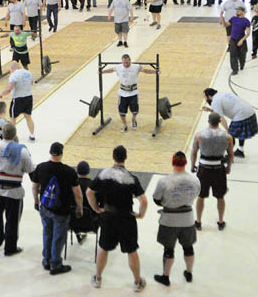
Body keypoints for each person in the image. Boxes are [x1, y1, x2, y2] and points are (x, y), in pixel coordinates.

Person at [87, 145, 147, 292]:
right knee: (131, 250)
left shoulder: (103, 174)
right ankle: (137, 282)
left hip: (108, 217)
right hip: (126, 217)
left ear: (113, 157)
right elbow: (144, 201)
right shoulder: (131, 178)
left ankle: (98, 278)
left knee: (104, 248)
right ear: (125, 158)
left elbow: (89, 192)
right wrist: (140, 214)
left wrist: (96, 208)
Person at [0, 122, 34, 256]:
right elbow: (31, 170)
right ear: (15, 135)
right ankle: (10, 248)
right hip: (14, 191)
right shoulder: (22, 150)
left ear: (1, 134)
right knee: (12, 220)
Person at [31, 142, 82, 275]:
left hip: (45, 207)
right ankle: (56, 264)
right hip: (62, 210)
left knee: (47, 233)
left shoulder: (41, 167)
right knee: (58, 237)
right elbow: (77, 193)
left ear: (50, 152)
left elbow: (34, 187)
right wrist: (79, 207)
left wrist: (36, 201)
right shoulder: (69, 171)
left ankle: (46, 260)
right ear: (61, 153)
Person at [152, 151, 200, 286]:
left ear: (173, 162)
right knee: (188, 247)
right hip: (188, 219)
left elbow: (156, 199)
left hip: (169, 219)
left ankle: (166, 277)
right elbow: (196, 194)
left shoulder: (164, 181)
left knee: (168, 249)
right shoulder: (194, 180)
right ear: (185, 163)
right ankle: (189, 273)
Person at [190, 112, 233, 232]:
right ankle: (220, 221)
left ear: (208, 121)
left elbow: (194, 152)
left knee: (201, 196)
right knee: (220, 196)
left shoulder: (199, 135)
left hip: (204, 168)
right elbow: (230, 154)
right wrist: (228, 167)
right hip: (219, 169)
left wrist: (193, 166)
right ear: (219, 122)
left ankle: (198, 221)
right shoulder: (227, 137)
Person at [102, 53, 158, 132]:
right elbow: (111, 70)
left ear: (130, 61)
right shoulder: (118, 67)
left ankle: (133, 120)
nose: (125, 64)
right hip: (122, 93)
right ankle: (124, 125)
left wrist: (155, 71)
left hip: (133, 93)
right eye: (124, 62)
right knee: (122, 112)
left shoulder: (136, 67)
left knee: (135, 111)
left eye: (127, 62)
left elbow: (146, 70)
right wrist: (102, 71)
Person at [202, 88, 258, 158]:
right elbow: (220, 111)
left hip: (241, 114)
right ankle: (240, 150)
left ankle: (229, 157)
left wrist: (227, 130)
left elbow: (220, 118)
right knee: (239, 133)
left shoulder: (215, 102)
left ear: (209, 96)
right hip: (249, 111)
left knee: (229, 137)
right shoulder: (221, 94)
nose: (204, 99)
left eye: (204, 97)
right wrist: (210, 110)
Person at [0, 61, 36, 140]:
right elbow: (32, 82)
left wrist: (2, 94)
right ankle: (32, 135)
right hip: (28, 97)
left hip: (18, 99)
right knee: (28, 117)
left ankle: (12, 136)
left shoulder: (14, 75)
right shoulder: (28, 73)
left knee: (13, 119)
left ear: (12, 68)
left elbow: (9, 88)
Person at [224, 6, 251, 75]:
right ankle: (234, 69)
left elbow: (248, 33)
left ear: (243, 12)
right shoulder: (233, 18)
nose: (237, 12)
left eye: (238, 11)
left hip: (241, 40)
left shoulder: (246, 21)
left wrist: (241, 40)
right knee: (233, 55)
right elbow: (227, 25)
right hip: (233, 39)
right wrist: (223, 21)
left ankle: (242, 63)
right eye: (237, 11)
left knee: (242, 55)